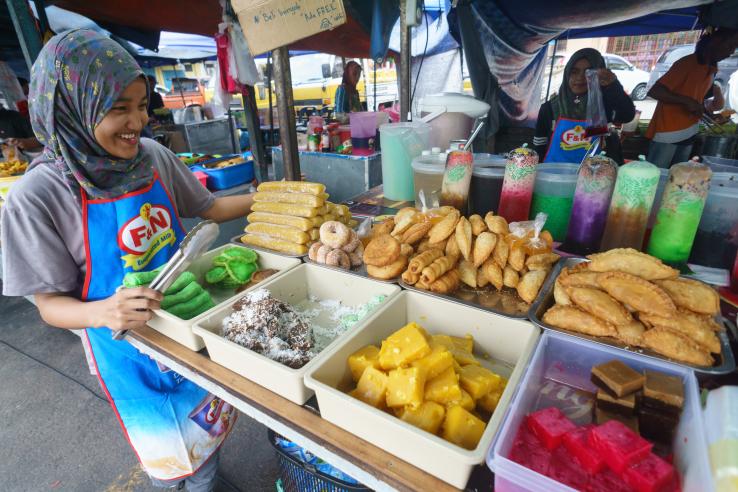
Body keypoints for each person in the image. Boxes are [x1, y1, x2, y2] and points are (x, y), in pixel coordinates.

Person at [0, 30, 254, 490]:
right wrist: (103, 311)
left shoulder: (152, 156)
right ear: (71, 108)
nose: (137, 121)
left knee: (207, 436)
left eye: (141, 105)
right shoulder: (38, 197)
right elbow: (49, 305)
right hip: (125, 348)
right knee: (165, 451)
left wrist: (272, 198)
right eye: (119, 108)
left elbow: (211, 209)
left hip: (191, 324)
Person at [646, 27, 738, 168]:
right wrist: (685, 101)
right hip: (668, 133)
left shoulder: (711, 68)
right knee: (655, 175)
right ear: (716, 42)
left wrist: (709, 115)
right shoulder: (688, 63)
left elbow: (697, 100)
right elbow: (655, 91)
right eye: (730, 46)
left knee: (677, 179)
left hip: (689, 132)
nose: (732, 51)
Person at [534, 48, 636, 164]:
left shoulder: (603, 106)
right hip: (554, 175)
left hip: (594, 176)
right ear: (567, 73)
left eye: (588, 72)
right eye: (574, 71)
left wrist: (613, 86)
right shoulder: (549, 108)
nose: (580, 78)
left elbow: (627, 115)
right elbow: (539, 145)